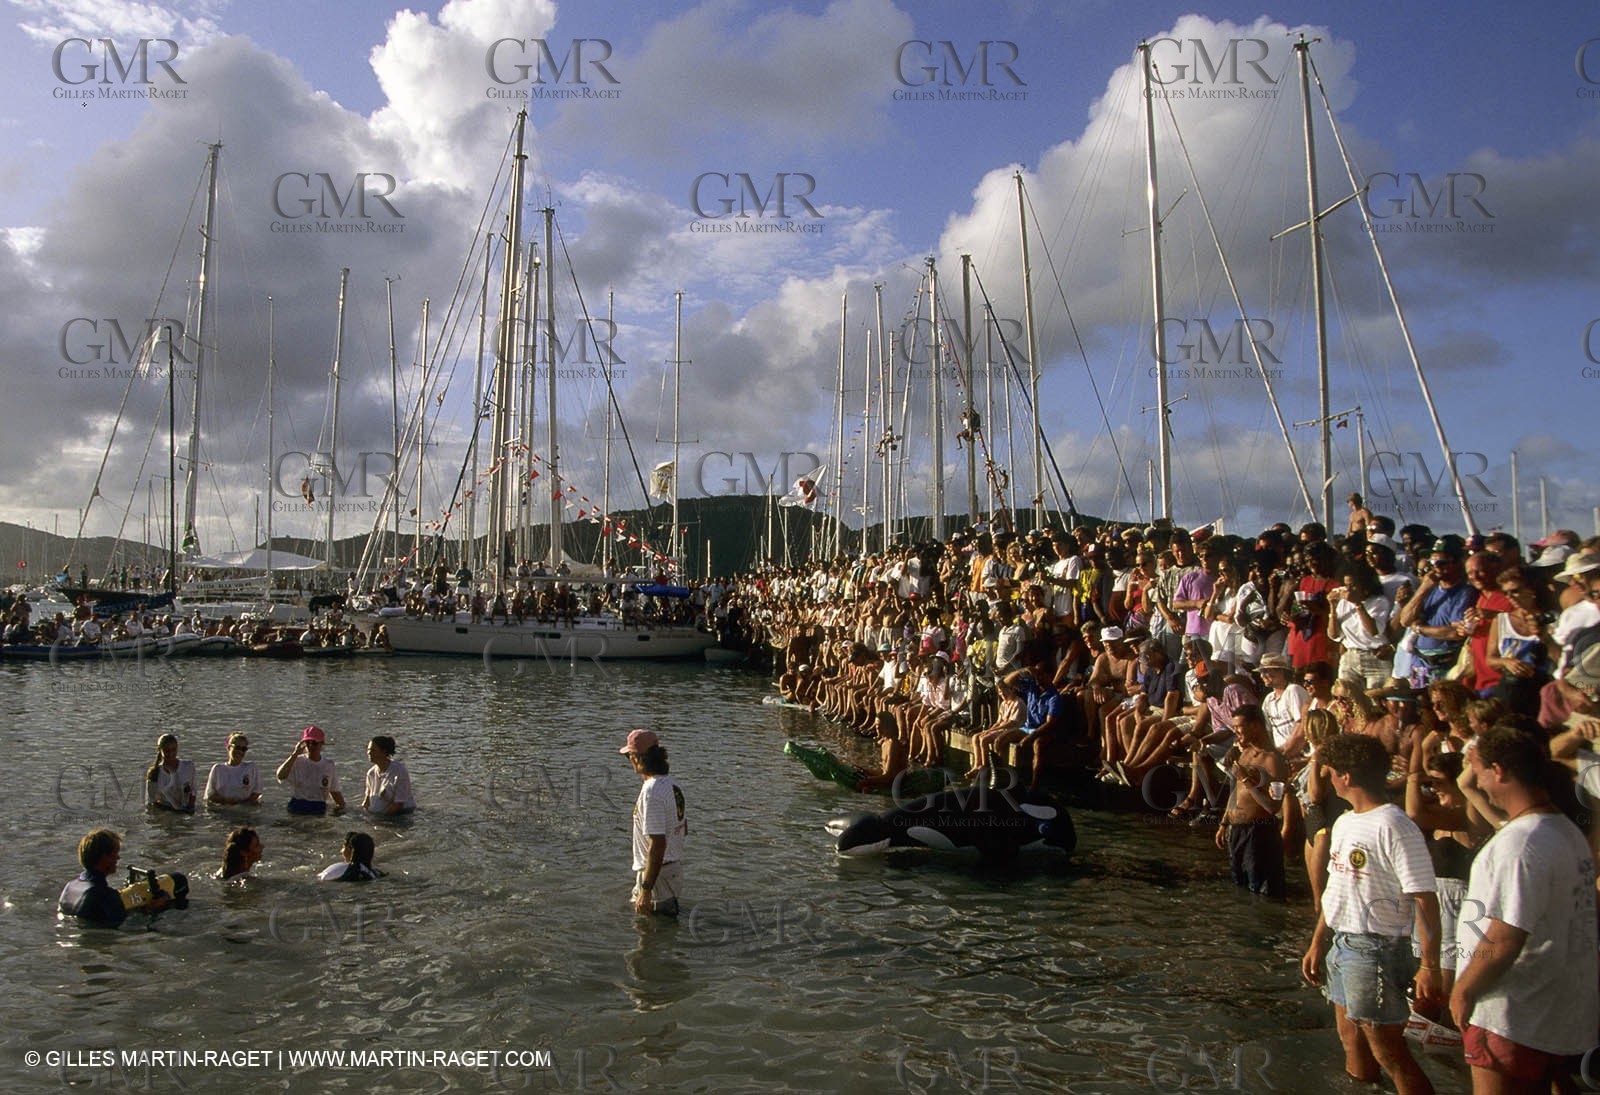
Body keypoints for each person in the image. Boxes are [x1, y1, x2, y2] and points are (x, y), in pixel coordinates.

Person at [1450, 726, 1599, 1091]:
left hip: (1509, 1014)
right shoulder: (1566, 832)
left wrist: (1463, 990)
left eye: (1480, 771)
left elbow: (1504, 938)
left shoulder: (1520, 843)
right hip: (1552, 1012)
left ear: (1499, 771)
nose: (1480, 783)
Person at [1301, 734, 1442, 1095]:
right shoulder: (1347, 822)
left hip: (1377, 949)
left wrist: (1429, 965)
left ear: (1346, 776)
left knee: (1390, 1051)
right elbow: (1338, 890)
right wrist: (1319, 942)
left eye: (1328, 771)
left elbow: (1425, 898)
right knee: (1353, 1042)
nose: (1325, 778)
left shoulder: (1394, 825)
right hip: (1343, 945)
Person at [1214, 704, 1290, 898]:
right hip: (1237, 832)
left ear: (1255, 726)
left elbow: (1273, 807)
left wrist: (1247, 780)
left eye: (1240, 726)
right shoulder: (1245, 753)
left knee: (1261, 893)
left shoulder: (1273, 760)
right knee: (1240, 889)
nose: (1236, 731)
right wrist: (1224, 822)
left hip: (1259, 834)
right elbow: (1235, 792)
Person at [621, 728, 686, 917]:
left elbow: (657, 844)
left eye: (629, 756)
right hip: (671, 873)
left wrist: (646, 889)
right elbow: (682, 828)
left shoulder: (651, 791)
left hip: (657, 878)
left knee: (647, 935)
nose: (630, 761)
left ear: (637, 758)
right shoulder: (673, 785)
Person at [58, 829, 167, 927]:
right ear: (104, 857)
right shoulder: (105, 895)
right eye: (115, 853)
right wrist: (152, 911)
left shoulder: (70, 887)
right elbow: (127, 928)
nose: (118, 858)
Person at [275, 725, 345, 815]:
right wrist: (294, 754)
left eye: (314, 743)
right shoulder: (296, 761)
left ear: (321, 744)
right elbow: (280, 776)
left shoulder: (329, 765)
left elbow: (334, 791)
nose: (311, 746)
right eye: (308, 743)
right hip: (298, 804)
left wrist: (343, 807)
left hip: (318, 806)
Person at [362, 736, 416, 816]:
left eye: (373, 750)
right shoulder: (371, 773)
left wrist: (380, 819)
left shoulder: (399, 770)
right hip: (379, 815)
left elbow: (398, 803)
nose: (369, 753)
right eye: (368, 750)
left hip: (401, 814)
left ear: (384, 752)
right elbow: (367, 801)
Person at [204, 732, 261, 806]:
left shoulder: (251, 768)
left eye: (243, 749)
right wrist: (228, 802)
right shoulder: (218, 769)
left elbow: (257, 792)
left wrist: (241, 804)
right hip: (223, 809)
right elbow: (210, 795)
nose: (240, 751)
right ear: (229, 748)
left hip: (245, 809)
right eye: (237, 748)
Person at [145, 733, 196, 812]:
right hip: (165, 814)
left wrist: (190, 808)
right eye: (167, 751)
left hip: (185, 811)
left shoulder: (188, 766)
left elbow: (193, 791)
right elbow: (151, 802)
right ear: (159, 750)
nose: (171, 754)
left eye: (173, 750)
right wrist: (172, 810)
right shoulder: (154, 774)